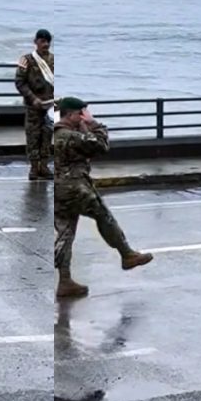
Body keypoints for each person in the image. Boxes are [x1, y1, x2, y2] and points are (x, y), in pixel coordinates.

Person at [53, 97, 153, 298]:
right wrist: (93, 124)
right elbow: (101, 146)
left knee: (65, 233)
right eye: (80, 113)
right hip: (75, 186)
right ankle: (127, 254)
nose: (84, 117)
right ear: (70, 114)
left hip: (58, 188)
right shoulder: (69, 136)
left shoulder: (57, 133)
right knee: (103, 215)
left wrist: (83, 125)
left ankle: (64, 281)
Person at [15, 29, 56, 180]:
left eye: (48, 42)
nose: (45, 44)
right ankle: (33, 167)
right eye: (42, 41)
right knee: (33, 136)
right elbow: (20, 82)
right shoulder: (27, 60)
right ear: (36, 42)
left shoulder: (54, 60)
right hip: (33, 105)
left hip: (50, 105)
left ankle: (44, 166)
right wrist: (32, 98)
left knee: (47, 135)